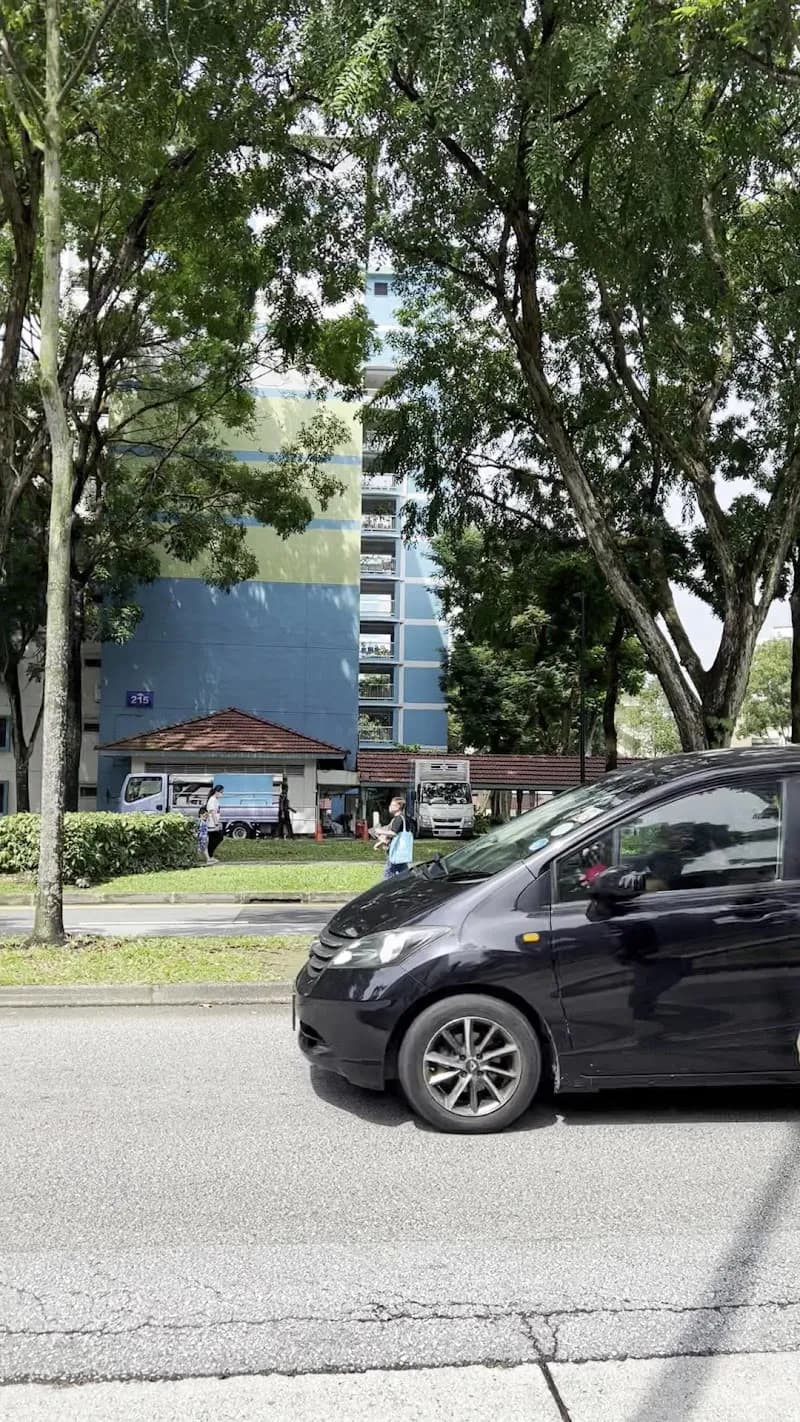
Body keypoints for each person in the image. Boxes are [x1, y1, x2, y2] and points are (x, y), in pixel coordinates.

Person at [374, 795, 414, 878]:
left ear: (398, 807)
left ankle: (387, 889)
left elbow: (394, 833)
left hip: (395, 850)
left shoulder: (398, 819)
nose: (390, 807)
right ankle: (408, 884)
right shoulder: (404, 818)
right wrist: (381, 843)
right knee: (403, 871)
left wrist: (380, 831)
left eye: (392, 805)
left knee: (389, 872)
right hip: (401, 851)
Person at [205, 784, 224, 860]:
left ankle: (210, 855)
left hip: (214, 822)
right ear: (216, 791)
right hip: (211, 823)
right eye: (221, 792)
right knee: (218, 837)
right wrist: (216, 823)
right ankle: (209, 855)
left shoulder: (215, 799)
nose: (222, 794)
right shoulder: (212, 800)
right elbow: (212, 812)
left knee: (214, 839)